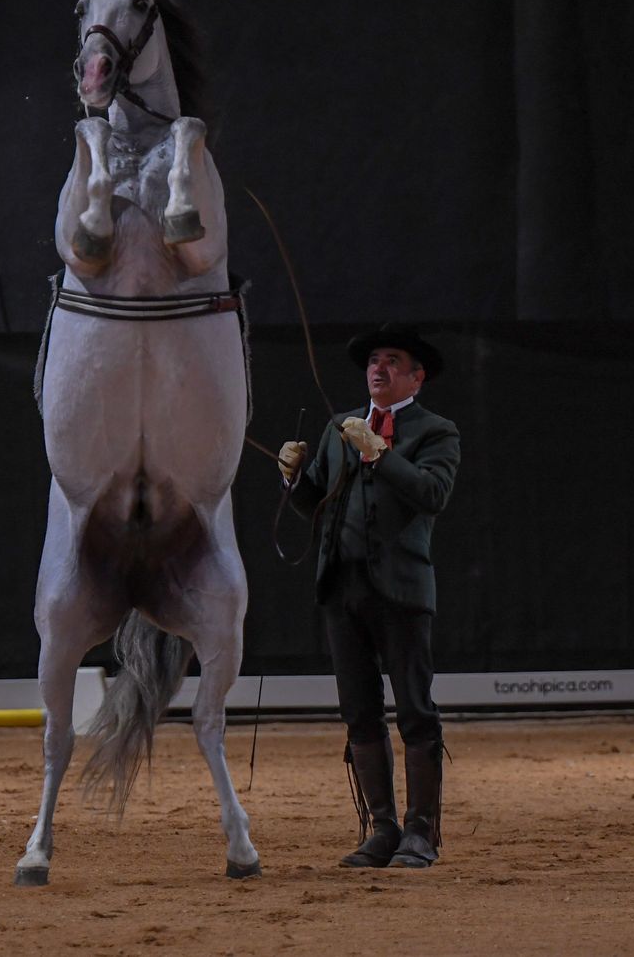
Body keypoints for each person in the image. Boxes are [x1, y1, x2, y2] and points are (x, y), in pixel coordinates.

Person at [279, 323, 461, 869]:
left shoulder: (436, 430)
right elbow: (319, 507)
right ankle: (381, 826)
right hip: (343, 586)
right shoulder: (340, 429)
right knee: (359, 712)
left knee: (414, 710)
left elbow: (432, 494)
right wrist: (294, 480)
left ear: (415, 375)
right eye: (373, 360)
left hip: (401, 588)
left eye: (392, 360)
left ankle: (421, 831)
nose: (378, 367)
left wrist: (382, 454)